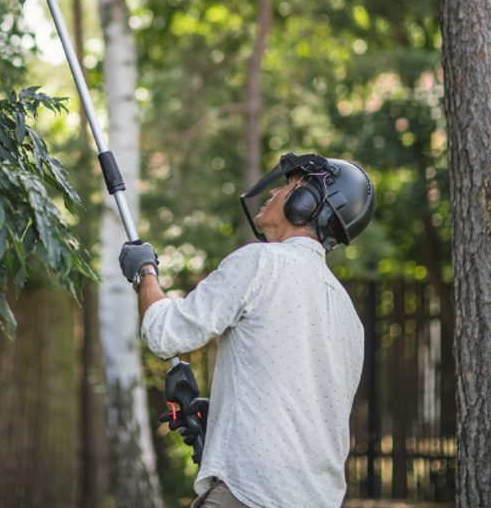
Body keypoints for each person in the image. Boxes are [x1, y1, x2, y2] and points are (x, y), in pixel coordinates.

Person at [119, 151, 375, 508]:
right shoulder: (349, 315)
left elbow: (164, 333)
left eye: (289, 186)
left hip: (250, 492)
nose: (273, 193)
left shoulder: (262, 262)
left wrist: (144, 271)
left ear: (308, 202)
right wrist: (223, 412)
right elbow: (300, 401)